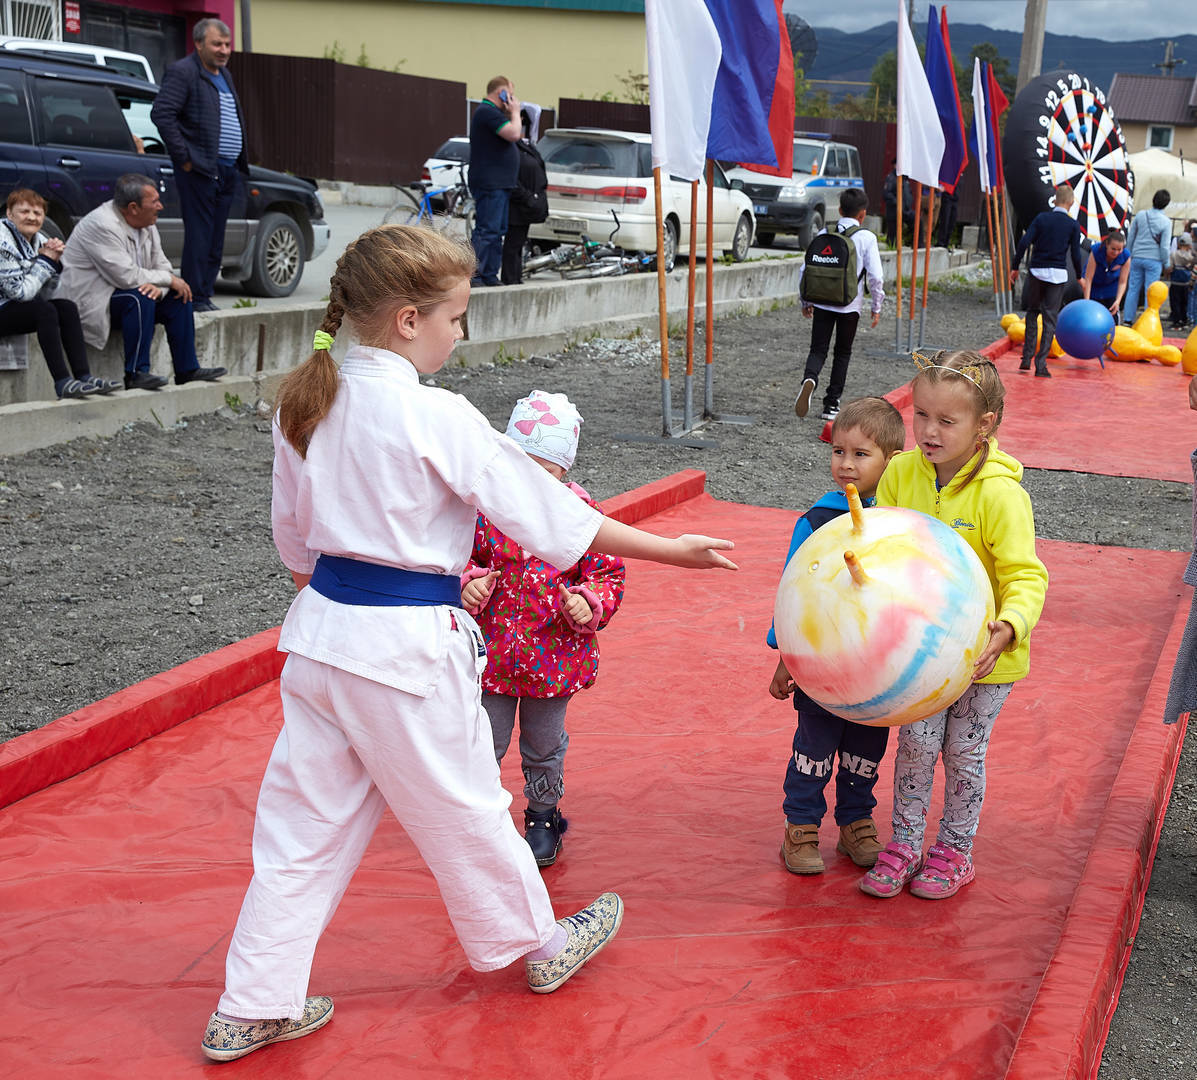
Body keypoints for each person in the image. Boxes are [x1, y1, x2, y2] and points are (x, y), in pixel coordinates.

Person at [200, 224, 737, 1063]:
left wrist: (345, 595)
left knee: (302, 828)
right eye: (456, 316)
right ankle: (541, 944)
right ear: (409, 319)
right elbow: (544, 511)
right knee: (465, 807)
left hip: (321, 642)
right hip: (403, 648)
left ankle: (251, 1002)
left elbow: (296, 543)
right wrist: (672, 549)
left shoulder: (306, 399)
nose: (461, 332)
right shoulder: (430, 412)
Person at [859, 351, 1048, 900]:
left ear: (984, 425)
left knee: (964, 752)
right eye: (920, 415)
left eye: (947, 421)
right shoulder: (899, 474)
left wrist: (1008, 627)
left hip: (986, 657)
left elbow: (1025, 577)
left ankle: (955, 850)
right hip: (922, 651)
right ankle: (904, 843)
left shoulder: (1001, 494)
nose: (928, 431)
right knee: (916, 744)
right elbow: (883, 545)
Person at [462, 390, 625, 867]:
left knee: (544, 745)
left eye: (546, 470)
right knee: (482, 741)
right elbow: (457, 558)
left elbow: (607, 572)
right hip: (491, 655)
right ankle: (480, 818)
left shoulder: (579, 514)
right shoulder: (485, 510)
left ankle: (542, 814)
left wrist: (587, 602)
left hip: (553, 662)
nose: (533, 480)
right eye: (522, 465)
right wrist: (468, 584)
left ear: (563, 471)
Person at [767, 397, 906, 874]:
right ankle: (800, 827)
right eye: (838, 452)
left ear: (892, 461)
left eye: (861, 454)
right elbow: (794, 589)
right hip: (822, 663)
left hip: (878, 667)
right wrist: (787, 654)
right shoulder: (818, 522)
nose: (846, 464)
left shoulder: (899, 524)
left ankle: (856, 823)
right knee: (814, 748)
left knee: (866, 752)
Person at [59, 174, 226, 390]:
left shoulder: (147, 223)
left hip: (124, 295)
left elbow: (163, 266)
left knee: (180, 296)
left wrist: (162, 286)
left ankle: (187, 370)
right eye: (154, 201)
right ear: (133, 207)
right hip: (88, 302)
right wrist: (167, 281)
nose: (161, 206)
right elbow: (126, 276)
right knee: (139, 298)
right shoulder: (101, 224)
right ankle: (136, 373)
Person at [151, 17, 248, 313]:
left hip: (227, 170)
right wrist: (186, 159)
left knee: (216, 237)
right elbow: (162, 114)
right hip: (201, 170)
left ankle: (205, 294)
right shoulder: (183, 72)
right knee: (200, 235)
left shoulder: (224, 74)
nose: (224, 50)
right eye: (217, 44)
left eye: (227, 44)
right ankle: (193, 300)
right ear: (198, 44)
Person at [0, 189, 120, 400]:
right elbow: (20, 294)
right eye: (24, 211)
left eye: (37, 213)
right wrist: (46, 262)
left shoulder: (39, 239)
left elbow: (48, 291)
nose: (31, 217)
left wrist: (55, 262)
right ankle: (62, 382)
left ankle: (84, 377)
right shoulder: (3, 241)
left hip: (12, 306)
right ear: (9, 214)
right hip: (6, 305)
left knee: (65, 307)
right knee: (43, 311)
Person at [794, 187, 884, 423]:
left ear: (841, 209)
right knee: (842, 353)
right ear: (863, 214)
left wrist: (806, 300)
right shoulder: (867, 238)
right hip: (849, 306)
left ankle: (809, 379)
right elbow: (876, 276)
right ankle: (831, 404)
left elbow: (806, 269)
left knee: (817, 349)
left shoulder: (825, 231)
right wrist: (876, 306)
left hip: (822, 302)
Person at [1008, 183, 1084, 378]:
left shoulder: (1042, 218)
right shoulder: (1072, 225)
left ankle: (1026, 358)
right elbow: (1075, 253)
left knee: (1032, 313)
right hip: (1058, 274)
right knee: (1050, 319)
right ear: (1071, 202)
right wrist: (1079, 276)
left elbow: (1024, 242)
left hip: (1037, 271)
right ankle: (1041, 365)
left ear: (1055, 201)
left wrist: (1015, 267)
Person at [468, 76, 522, 287]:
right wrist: (515, 112)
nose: (513, 98)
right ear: (501, 93)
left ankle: (489, 275)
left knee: (497, 231)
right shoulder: (487, 112)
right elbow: (514, 133)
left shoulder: (495, 114)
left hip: (500, 183)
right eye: (510, 93)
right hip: (491, 183)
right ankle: (474, 276)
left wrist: (510, 113)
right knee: (487, 230)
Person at [499, 111, 549, 286]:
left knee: (518, 243)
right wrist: (528, 197)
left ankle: (515, 277)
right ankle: (510, 278)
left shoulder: (524, 146)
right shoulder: (511, 147)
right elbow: (511, 179)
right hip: (518, 204)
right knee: (512, 244)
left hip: (526, 205)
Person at [1124, 189, 1172, 324]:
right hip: (1154, 260)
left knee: (1133, 289)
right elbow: (1164, 246)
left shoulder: (1140, 215)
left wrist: (1128, 254)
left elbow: (1131, 237)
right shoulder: (1166, 222)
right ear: (1166, 204)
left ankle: (1127, 319)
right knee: (1150, 292)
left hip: (1137, 256)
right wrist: (1166, 263)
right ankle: (1146, 322)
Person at [1080, 229, 1131, 322]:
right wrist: (1086, 301)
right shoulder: (1096, 251)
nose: (1116, 252)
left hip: (1111, 288)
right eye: (1113, 249)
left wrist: (1118, 301)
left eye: (1119, 249)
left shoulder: (1126, 256)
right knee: (1091, 318)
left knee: (1112, 317)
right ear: (1107, 244)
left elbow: (1123, 282)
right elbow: (1088, 278)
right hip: (1094, 287)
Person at [1167, 233, 1194, 331]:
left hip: (1175, 282)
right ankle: (1184, 320)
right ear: (1189, 245)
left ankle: (1176, 321)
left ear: (1178, 244)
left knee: (1175, 302)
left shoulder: (1174, 254)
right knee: (1184, 302)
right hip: (1186, 283)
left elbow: (1170, 268)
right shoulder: (1191, 256)